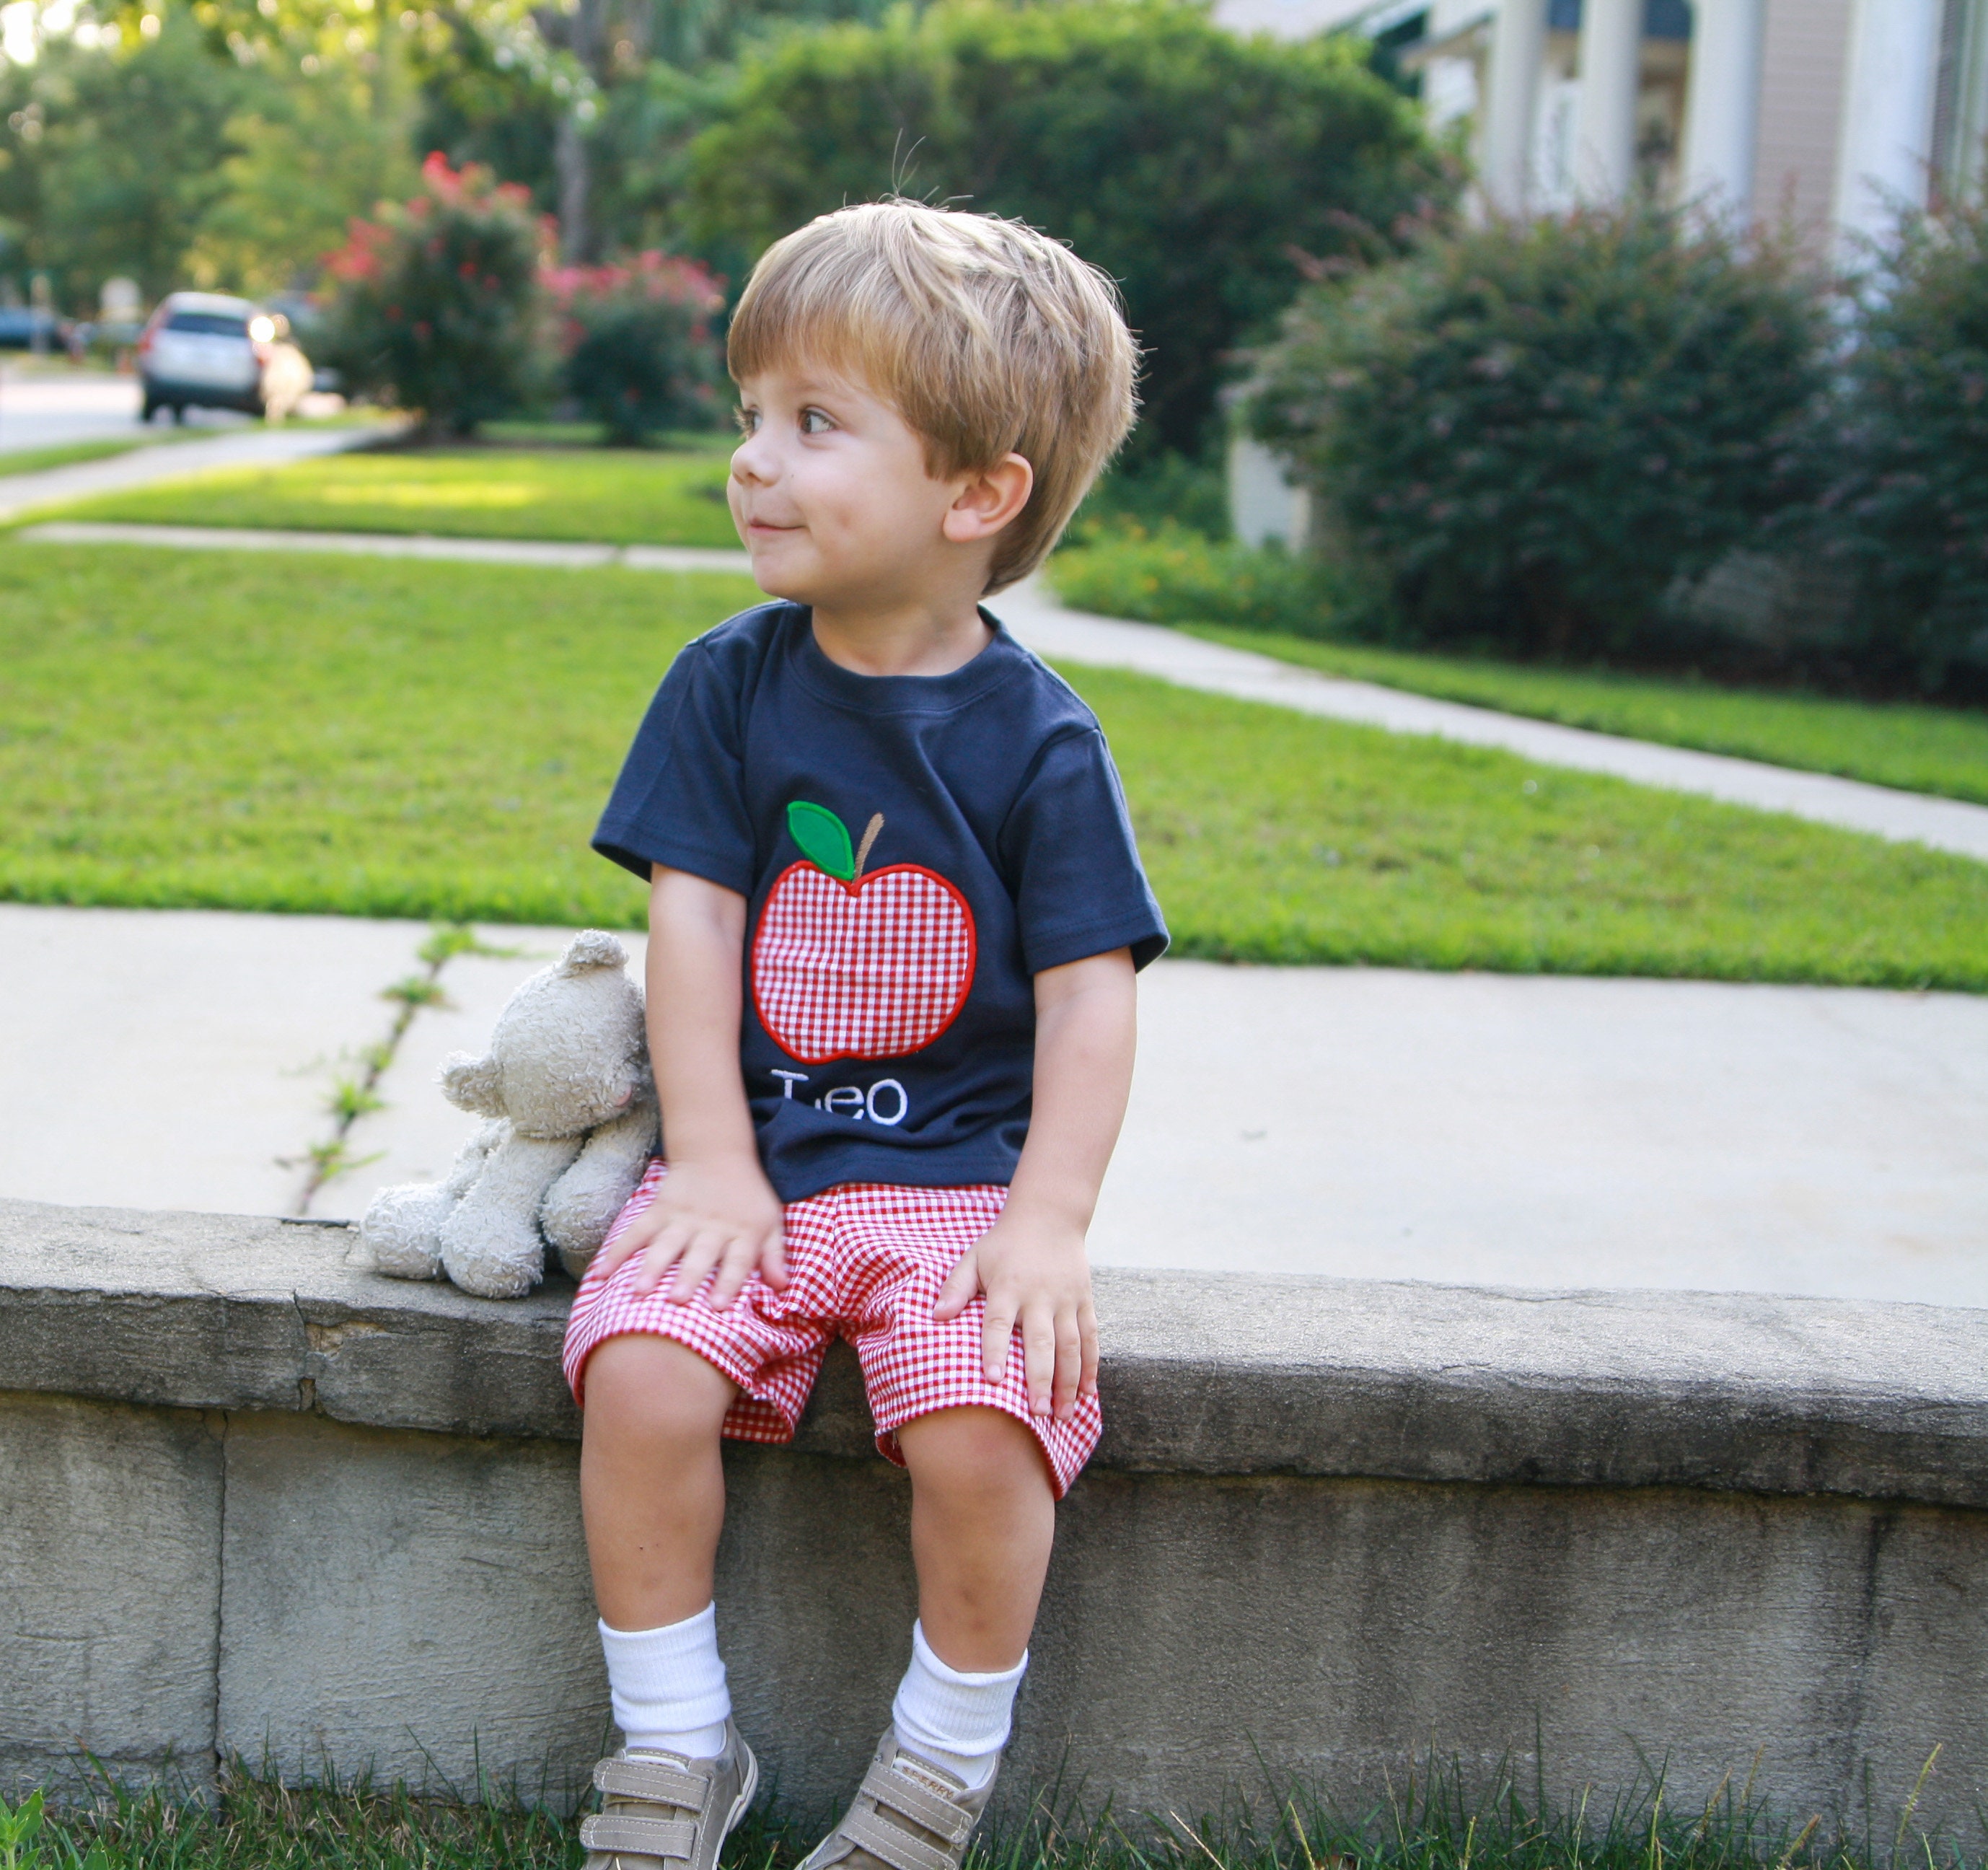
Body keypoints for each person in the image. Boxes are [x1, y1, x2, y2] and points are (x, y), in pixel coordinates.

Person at [560, 198, 1168, 1870]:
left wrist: (1046, 1222)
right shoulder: (729, 684)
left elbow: (1090, 993)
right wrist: (710, 1162)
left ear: (975, 496)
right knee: (640, 1369)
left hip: (958, 1187)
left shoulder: (1042, 741)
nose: (753, 460)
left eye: (815, 423)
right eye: (750, 413)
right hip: (754, 1163)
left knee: (984, 1420)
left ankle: (937, 1768)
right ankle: (680, 1746)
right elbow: (692, 926)